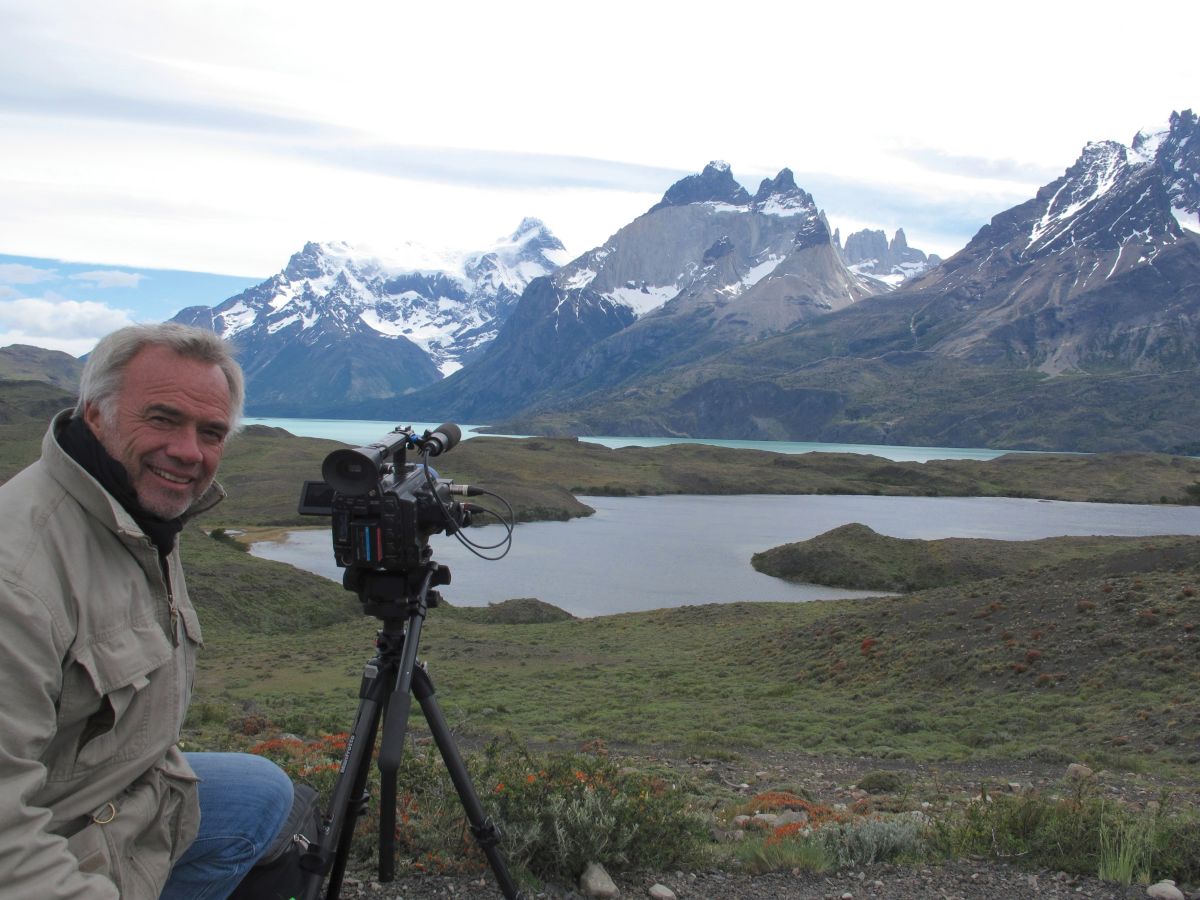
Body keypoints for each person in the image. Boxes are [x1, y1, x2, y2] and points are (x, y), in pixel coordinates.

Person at [0, 324, 294, 899]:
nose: (188, 452)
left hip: (109, 793)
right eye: (161, 419)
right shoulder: (19, 576)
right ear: (94, 414)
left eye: (211, 432)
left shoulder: (133, 511)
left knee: (261, 791)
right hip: (52, 835)